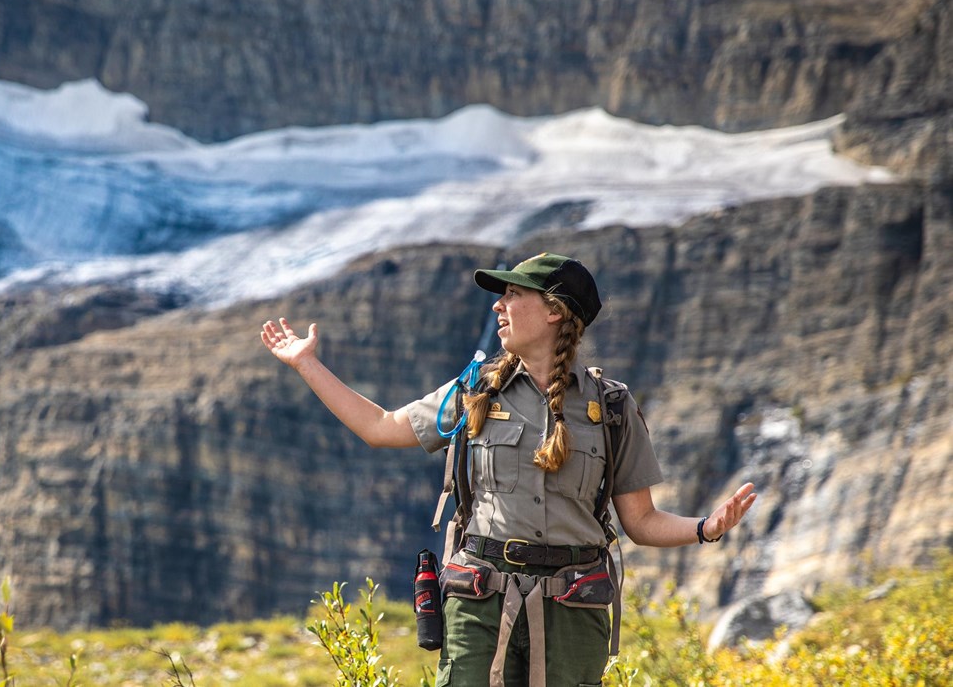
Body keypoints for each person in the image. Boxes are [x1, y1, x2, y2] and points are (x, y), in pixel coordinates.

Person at [260, 252, 757, 687]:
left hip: (573, 611)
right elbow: (380, 426)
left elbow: (641, 522)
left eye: (514, 294)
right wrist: (307, 364)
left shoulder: (612, 407)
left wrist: (705, 529)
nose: (498, 305)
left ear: (555, 312)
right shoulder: (475, 389)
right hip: (479, 602)